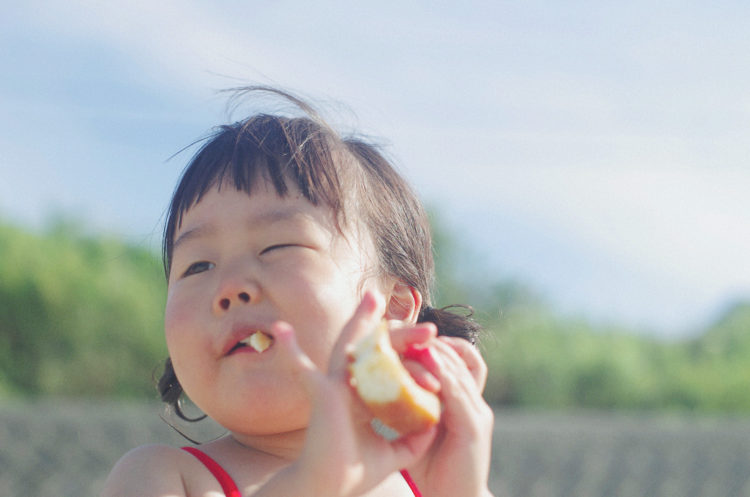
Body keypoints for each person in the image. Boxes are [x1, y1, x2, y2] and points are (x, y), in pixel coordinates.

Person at [101, 86, 495, 497]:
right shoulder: (161, 477)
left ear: (392, 309)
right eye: (197, 266)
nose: (230, 287)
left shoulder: (434, 485)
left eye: (277, 247)